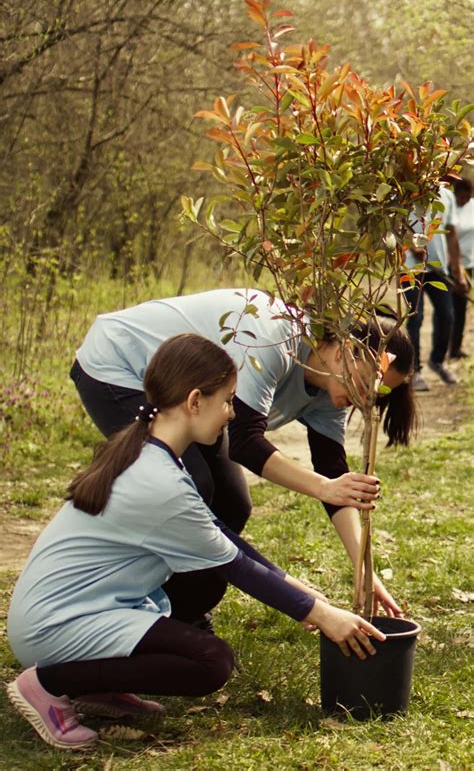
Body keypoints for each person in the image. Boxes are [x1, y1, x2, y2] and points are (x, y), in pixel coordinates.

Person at [7, 334, 386, 751]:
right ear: (193, 401)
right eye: (226, 400)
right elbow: (236, 567)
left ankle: (97, 686)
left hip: (68, 611)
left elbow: (222, 538)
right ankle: (47, 684)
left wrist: (304, 595)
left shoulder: (150, 452)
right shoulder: (159, 480)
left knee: (204, 592)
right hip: (57, 625)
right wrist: (324, 615)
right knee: (210, 663)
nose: (229, 414)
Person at [70, 288, 416, 619]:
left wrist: (364, 569)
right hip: (120, 364)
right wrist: (323, 487)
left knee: (232, 503)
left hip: (192, 398)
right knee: (193, 486)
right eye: (371, 382)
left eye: (381, 391)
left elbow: (333, 475)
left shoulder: (330, 394)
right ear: (345, 351)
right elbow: (246, 443)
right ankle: (117, 600)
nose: (370, 398)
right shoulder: (275, 339)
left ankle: (181, 612)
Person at [403, 182, 468, 391]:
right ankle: (414, 371)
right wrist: (410, 245)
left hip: (438, 267)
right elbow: (394, 224)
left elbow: (451, 233)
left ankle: (437, 361)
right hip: (410, 268)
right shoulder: (406, 189)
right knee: (416, 318)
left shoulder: (447, 195)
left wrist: (458, 270)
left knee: (447, 315)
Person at [449, 178, 473, 359]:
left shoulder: (472, 207)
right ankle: (442, 347)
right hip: (450, 265)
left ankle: (455, 347)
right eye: (461, 197)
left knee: (461, 307)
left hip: (468, 264)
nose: (463, 200)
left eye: (467, 197)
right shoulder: (450, 206)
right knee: (447, 309)